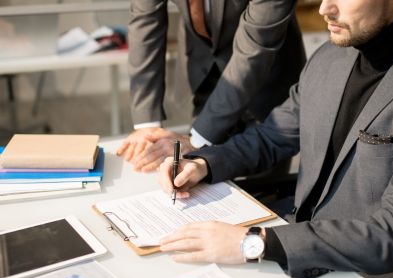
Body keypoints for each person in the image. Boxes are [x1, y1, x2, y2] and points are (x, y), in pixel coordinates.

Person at [158, 0, 393, 278]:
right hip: (291, 240)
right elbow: (272, 136)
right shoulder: (330, 58)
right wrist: (203, 164)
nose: (324, 8)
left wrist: (257, 242)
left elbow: (391, 235)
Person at [117, 0, 306, 172]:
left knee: (262, 190)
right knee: (197, 176)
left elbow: (253, 53)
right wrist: (148, 125)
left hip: (266, 83)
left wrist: (195, 141)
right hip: (203, 72)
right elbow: (145, 24)